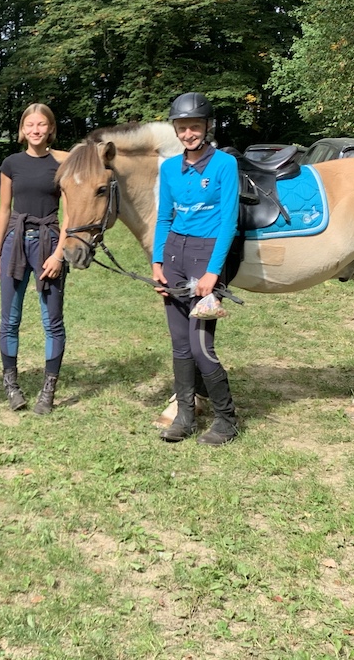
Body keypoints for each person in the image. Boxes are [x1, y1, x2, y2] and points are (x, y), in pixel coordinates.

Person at [152, 92, 240, 445]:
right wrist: (157, 261)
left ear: (207, 127)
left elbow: (229, 221)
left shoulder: (224, 165)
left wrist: (213, 273)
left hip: (206, 256)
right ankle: (185, 417)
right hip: (174, 254)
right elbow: (164, 217)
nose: (188, 133)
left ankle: (227, 420)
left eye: (195, 127)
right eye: (182, 127)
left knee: (201, 346)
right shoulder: (168, 168)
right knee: (180, 345)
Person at [0, 103, 70, 415]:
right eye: (30, 125)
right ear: (22, 129)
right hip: (14, 243)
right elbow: (3, 209)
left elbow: (70, 215)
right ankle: (11, 385)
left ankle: (48, 389)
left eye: (41, 124)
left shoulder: (62, 164)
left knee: (52, 321)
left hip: (49, 242)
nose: (35, 130)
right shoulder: (11, 163)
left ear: (50, 128)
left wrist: (59, 255)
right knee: (10, 319)